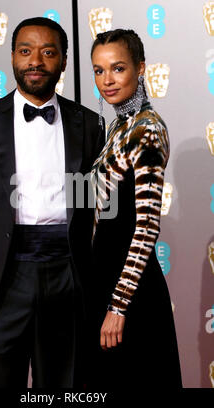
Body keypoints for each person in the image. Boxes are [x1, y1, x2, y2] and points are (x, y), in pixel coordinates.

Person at [0, 17, 105, 388]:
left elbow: (102, 215)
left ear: (63, 61)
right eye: (26, 51)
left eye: (48, 53)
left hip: (68, 281)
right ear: (12, 57)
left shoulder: (91, 125)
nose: (36, 61)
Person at [87, 29, 183, 388]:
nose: (107, 80)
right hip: (105, 284)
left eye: (117, 68)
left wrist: (118, 306)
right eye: (98, 71)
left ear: (141, 68)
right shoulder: (118, 126)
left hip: (130, 296)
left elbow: (145, 228)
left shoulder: (147, 130)